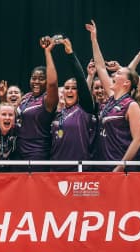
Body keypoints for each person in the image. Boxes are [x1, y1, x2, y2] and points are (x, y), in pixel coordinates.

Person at [86, 20, 140, 172]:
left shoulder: (131, 105)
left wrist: (120, 166)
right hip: (102, 165)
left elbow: (137, 140)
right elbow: (100, 67)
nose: (113, 74)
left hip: (118, 168)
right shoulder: (112, 97)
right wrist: (94, 38)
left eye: (118, 73)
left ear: (126, 83)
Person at [49, 37, 96, 171]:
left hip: (79, 169)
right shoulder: (57, 114)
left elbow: (80, 79)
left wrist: (70, 54)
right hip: (55, 169)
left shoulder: (84, 109)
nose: (70, 91)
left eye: (73, 88)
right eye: (67, 88)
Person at [14, 36, 59, 171]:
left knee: (35, 192)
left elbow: (53, 83)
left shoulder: (48, 100)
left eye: (41, 79)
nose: (36, 82)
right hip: (17, 153)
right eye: (34, 78)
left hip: (37, 154)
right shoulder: (26, 97)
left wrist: (47, 52)